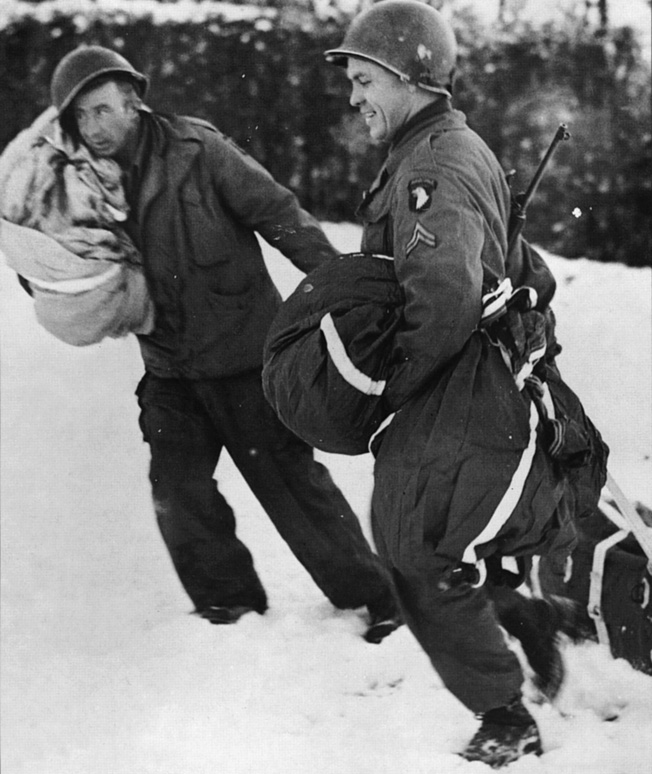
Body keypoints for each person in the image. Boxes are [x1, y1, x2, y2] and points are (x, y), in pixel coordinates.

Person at [323, 0, 604, 767]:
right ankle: (527, 621)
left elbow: (443, 294)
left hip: (456, 382)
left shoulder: (433, 163)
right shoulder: (444, 147)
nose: (352, 97)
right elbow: (517, 264)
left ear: (409, 74)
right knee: (440, 540)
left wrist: (394, 390)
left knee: (414, 547)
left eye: (361, 79)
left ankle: (505, 714)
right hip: (475, 375)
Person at [42, 44, 401, 643]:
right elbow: (56, 252)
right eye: (81, 117)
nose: (94, 128)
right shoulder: (85, 186)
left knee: (292, 489)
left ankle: (378, 597)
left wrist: (348, 292)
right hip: (170, 370)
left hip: (248, 358)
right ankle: (226, 604)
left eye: (103, 110)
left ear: (133, 102)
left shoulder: (198, 150)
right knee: (177, 490)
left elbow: (280, 215)